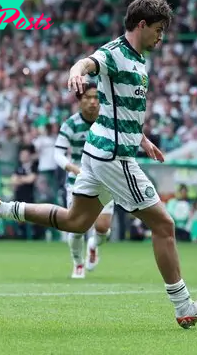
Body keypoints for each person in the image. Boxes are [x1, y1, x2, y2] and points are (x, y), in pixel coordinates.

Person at [0, 0, 197, 329]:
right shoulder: (115, 53)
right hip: (114, 158)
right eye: (159, 29)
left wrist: (142, 138)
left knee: (76, 222)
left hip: (98, 151)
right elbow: (88, 62)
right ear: (142, 24)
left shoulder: (138, 58)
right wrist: (77, 71)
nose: (161, 36)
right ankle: (183, 306)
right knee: (164, 225)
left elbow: (121, 108)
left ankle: (0, 208)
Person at [53, 81, 114, 279]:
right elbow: (58, 153)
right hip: (77, 180)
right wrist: (72, 168)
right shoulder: (71, 124)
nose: (92, 102)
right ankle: (78, 263)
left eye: (96, 97)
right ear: (80, 101)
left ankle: (94, 245)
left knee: (103, 227)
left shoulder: (108, 121)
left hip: (104, 179)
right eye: (87, 97)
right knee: (76, 227)